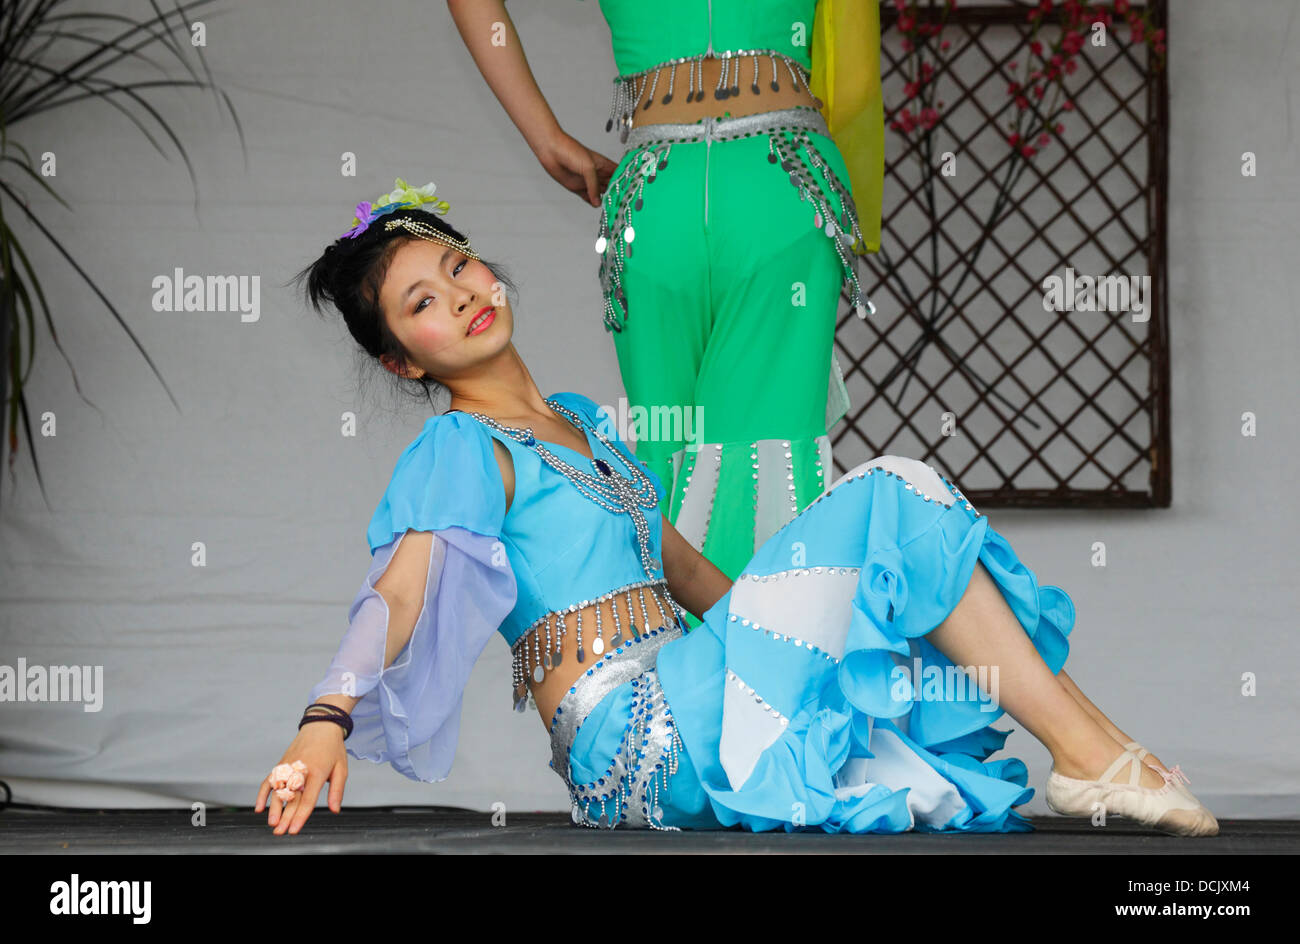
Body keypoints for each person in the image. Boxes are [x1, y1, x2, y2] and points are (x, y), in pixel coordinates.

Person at [256, 194, 1218, 838]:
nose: (463, 293)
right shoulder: (460, 447)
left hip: (696, 686)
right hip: (638, 736)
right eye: (424, 301)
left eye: (459, 265)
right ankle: (1092, 756)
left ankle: (1101, 752)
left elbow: (694, 579)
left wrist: (816, 632)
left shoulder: (584, 421)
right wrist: (322, 721)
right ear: (404, 361)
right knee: (890, 489)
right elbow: (401, 592)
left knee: (902, 556)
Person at [445, 0, 885, 587]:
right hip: (781, 183)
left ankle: (690, 640)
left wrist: (546, 139)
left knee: (667, 462)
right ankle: (762, 634)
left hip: (654, 200)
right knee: (764, 461)